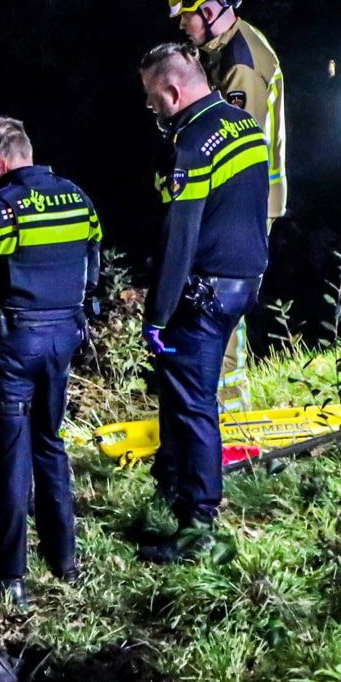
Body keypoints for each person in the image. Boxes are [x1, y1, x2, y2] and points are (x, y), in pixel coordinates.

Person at [0, 117, 102, 604]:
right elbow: (92, 265)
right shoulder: (78, 198)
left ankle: (9, 578)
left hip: (13, 346)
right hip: (64, 340)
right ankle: (64, 561)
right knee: (50, 445)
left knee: (12, 457)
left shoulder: (2, 208)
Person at [137, 42, 271, 562]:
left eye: (153, 98)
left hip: (203, 291)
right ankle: (171, 485)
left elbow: (179, 235)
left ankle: (199, 527)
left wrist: (157, 313)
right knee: (186, 398)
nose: (151, 108)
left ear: (172, 90)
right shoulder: (243, 125)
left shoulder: (190, 144)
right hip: (244, 282)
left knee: (193, 405)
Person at [168, 0, 285, 413]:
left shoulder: (240, 66)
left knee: (223, 292)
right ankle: (215, 392)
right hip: (240, 197)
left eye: (188, 14)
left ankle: (228, 402)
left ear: (213, 8)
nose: (183, 24)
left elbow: (239, 145)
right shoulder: (225, 46)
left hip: (249, 199)